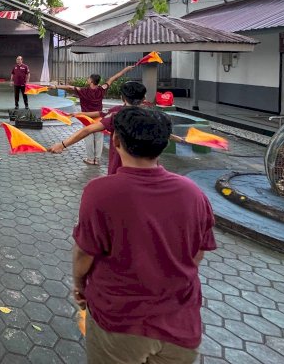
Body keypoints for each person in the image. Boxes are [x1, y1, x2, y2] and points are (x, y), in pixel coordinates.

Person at [72, 107, 216, 363]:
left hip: (120, 323)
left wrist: (80, 285)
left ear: (116, 141)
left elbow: (84, 253)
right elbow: (197, 254)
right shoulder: (193, 193)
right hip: (181, 324)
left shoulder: (100, 192)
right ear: (163, 144)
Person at [49, 81, 185, 174]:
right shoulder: (152, 116)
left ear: (122, 97)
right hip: (149, 171)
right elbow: (100, 113)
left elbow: (88, 129)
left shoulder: (117, 114)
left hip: (120, 169)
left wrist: (62, 144)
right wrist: (179, 139)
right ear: (144, 98)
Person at [53, 65, 135, 165]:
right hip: (99, 118)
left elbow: (70, 87)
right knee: (99, 138)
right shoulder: (102, 89)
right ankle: (97, 159)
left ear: (91, 81)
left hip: (86, 118)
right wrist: (126, 69)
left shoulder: (84, 91)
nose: (87, 79)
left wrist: (56, 86)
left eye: (88, 78)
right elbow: (113, 78)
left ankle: (90, 159)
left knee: (88, 137)